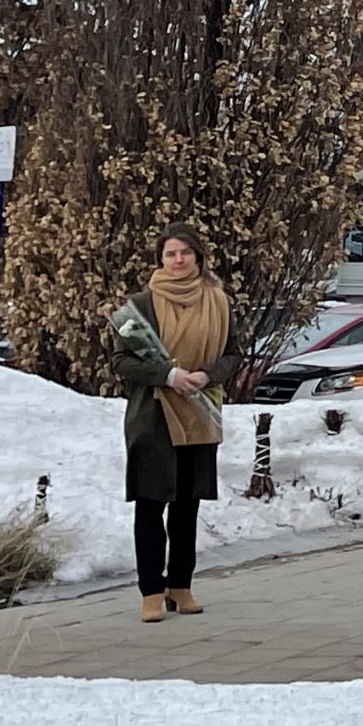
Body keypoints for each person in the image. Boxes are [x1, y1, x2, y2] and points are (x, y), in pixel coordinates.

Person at [112, 223, 242, 625]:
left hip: (200, 412)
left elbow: (234, 354)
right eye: (170, 254)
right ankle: (151, 590)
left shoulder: (218, 302)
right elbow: (121, 362)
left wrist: (206, 374)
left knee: (187, 506)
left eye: (185, 253)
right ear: (160, 259)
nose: (178, 260)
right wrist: (168, 376)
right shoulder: (140, 306)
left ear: (198, 257)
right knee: (151, 506)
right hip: (153, 417)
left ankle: (181, 586)